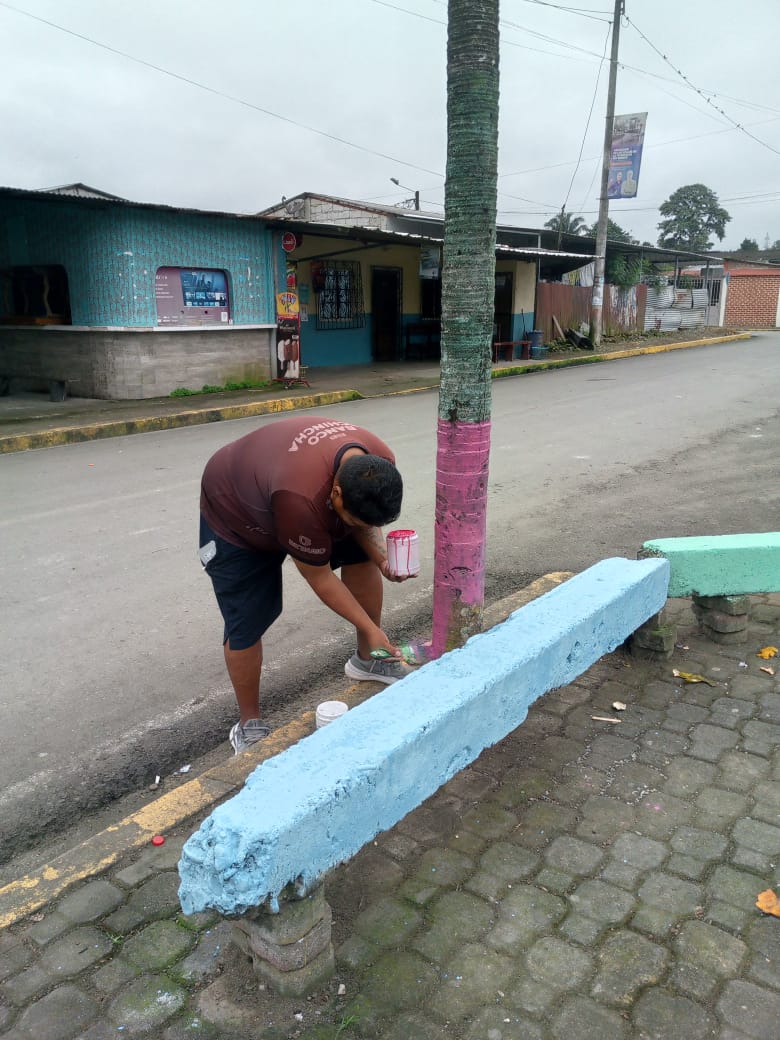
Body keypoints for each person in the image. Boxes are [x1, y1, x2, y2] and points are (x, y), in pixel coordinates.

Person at [199, 415, 414, 753]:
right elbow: (320, 577)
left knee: (361, 558)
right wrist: (371, 628)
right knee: (247, 617)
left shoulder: (379, 460)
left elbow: (364, 524)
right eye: (353, 518)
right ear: (337, 492)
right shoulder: (300, 498)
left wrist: (382, 559)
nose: (358, 525)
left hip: (285, 485)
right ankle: (249, 724)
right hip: (238, 513)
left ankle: (368, 659)